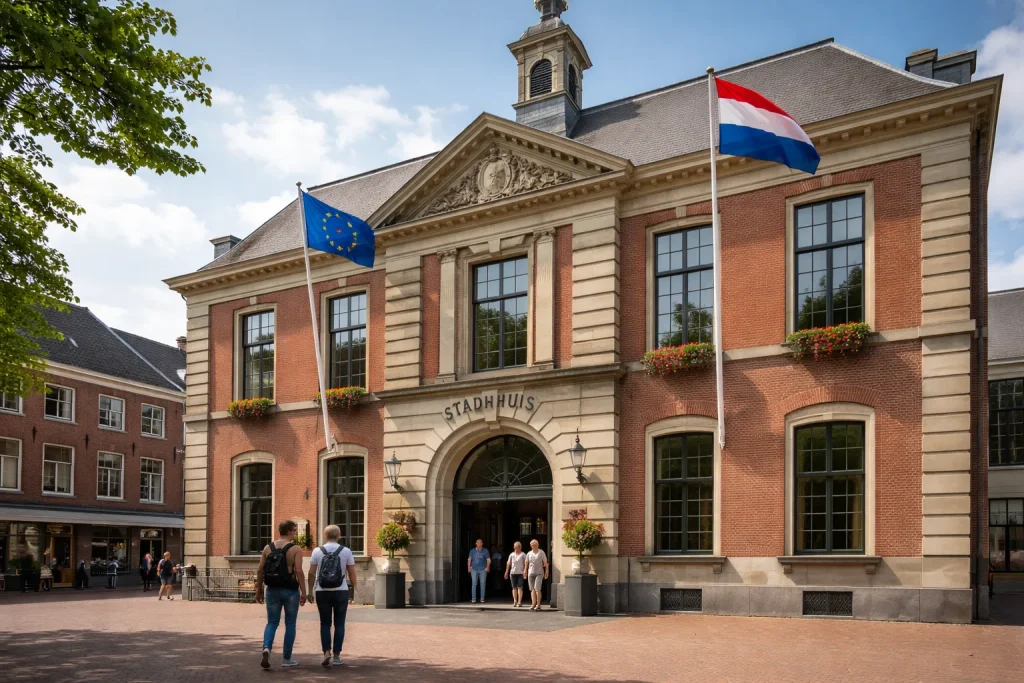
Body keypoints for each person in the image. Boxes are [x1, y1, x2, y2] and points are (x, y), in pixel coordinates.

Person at [256, 520, 307, 669]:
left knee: (272, 622)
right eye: (295, 531)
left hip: (271, 589)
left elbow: (260, 570)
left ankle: (267, 648)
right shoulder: (295, 549)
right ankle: (286, 658)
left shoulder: (268, 547)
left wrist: (259, 589)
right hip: (290, 590)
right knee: (290, 624)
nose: (295, 534)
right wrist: (304, 592)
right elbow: (298, 571)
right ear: (290, 531)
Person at [307, 524, 357, 668]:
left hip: (322, 592)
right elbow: (352, 572)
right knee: (339, 624)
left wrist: (310, 591)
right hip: (341, 590)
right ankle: (336, 656)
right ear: (339, 535)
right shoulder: (346, 551)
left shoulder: (317, 551)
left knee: (325, 623)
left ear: (325, 536)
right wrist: (355, 586)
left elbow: (311, 573)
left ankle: (326, 652)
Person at [526, 539, 548, 611]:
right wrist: (525, 571)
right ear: (530, 546)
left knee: (537, 588)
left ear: (538, 545)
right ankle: (533, 604)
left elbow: (545, 562)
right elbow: (526, 562)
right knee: (532, 589)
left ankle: (538, 604)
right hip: (530, 573)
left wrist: (546, 571)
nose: (533, 546)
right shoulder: (529, 553)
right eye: (532, 545)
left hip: (539, 573)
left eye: (535, 545)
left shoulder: (541, 552)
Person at [467, 538, 490, 604]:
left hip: (483, 569)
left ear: (482, 544)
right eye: (478, 542)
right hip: (474, 569)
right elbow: (469, 559)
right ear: (476, 543)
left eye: (480, 542)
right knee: (474, 584)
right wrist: (469, 567)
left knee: (483, 584)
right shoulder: (472, 551)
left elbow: (488, 560)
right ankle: (473, 599)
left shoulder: (485, 551)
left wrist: (487, 567)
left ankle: (482, 598)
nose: (479, 544)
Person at [504, 541, 527, 608]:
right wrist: (506, 572)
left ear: (521, 547)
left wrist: (525, 570)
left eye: (519, 547)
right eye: (516, 547)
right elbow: (508, 563)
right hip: (513, 573)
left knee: (520, 587)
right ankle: (515, 601)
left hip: (520, 573)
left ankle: (519, 602)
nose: (517, 548)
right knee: (514, 588)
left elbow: (526, 563)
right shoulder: (511, 555)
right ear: (514, 547)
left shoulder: (523, 554)